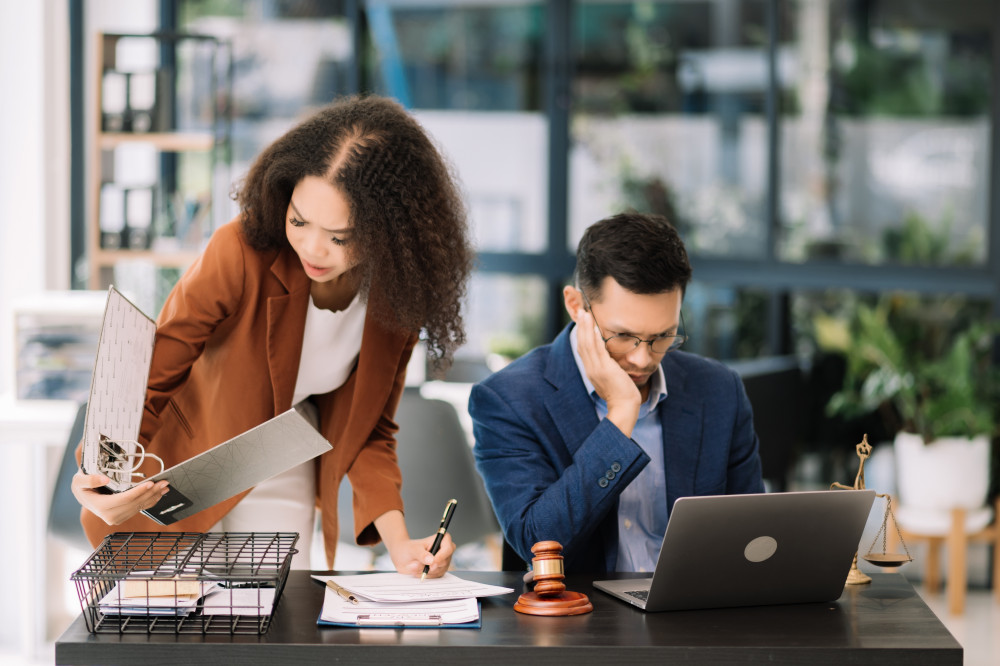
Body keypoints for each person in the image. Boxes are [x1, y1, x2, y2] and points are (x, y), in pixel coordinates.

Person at [72, 94, 473, 576]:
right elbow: (151, 375)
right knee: (168, 630)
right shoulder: (239, 252)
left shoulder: (396, 299)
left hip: (284, 456)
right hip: (184, 457)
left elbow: (371, 432)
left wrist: (400, 544)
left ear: (391, 234)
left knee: (273, 624)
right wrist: (100, 477)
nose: (312, 247)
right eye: (299, 220)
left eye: (340, 237)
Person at [469, 212, 764, 574]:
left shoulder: (719, 391)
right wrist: (622, 414)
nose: (643, 359)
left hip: (694, 618)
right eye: (622, 336)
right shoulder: (508, 400)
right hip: (582, 623)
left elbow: (753, 537)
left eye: (663, 336)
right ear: (577, 307)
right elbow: (537, 543)